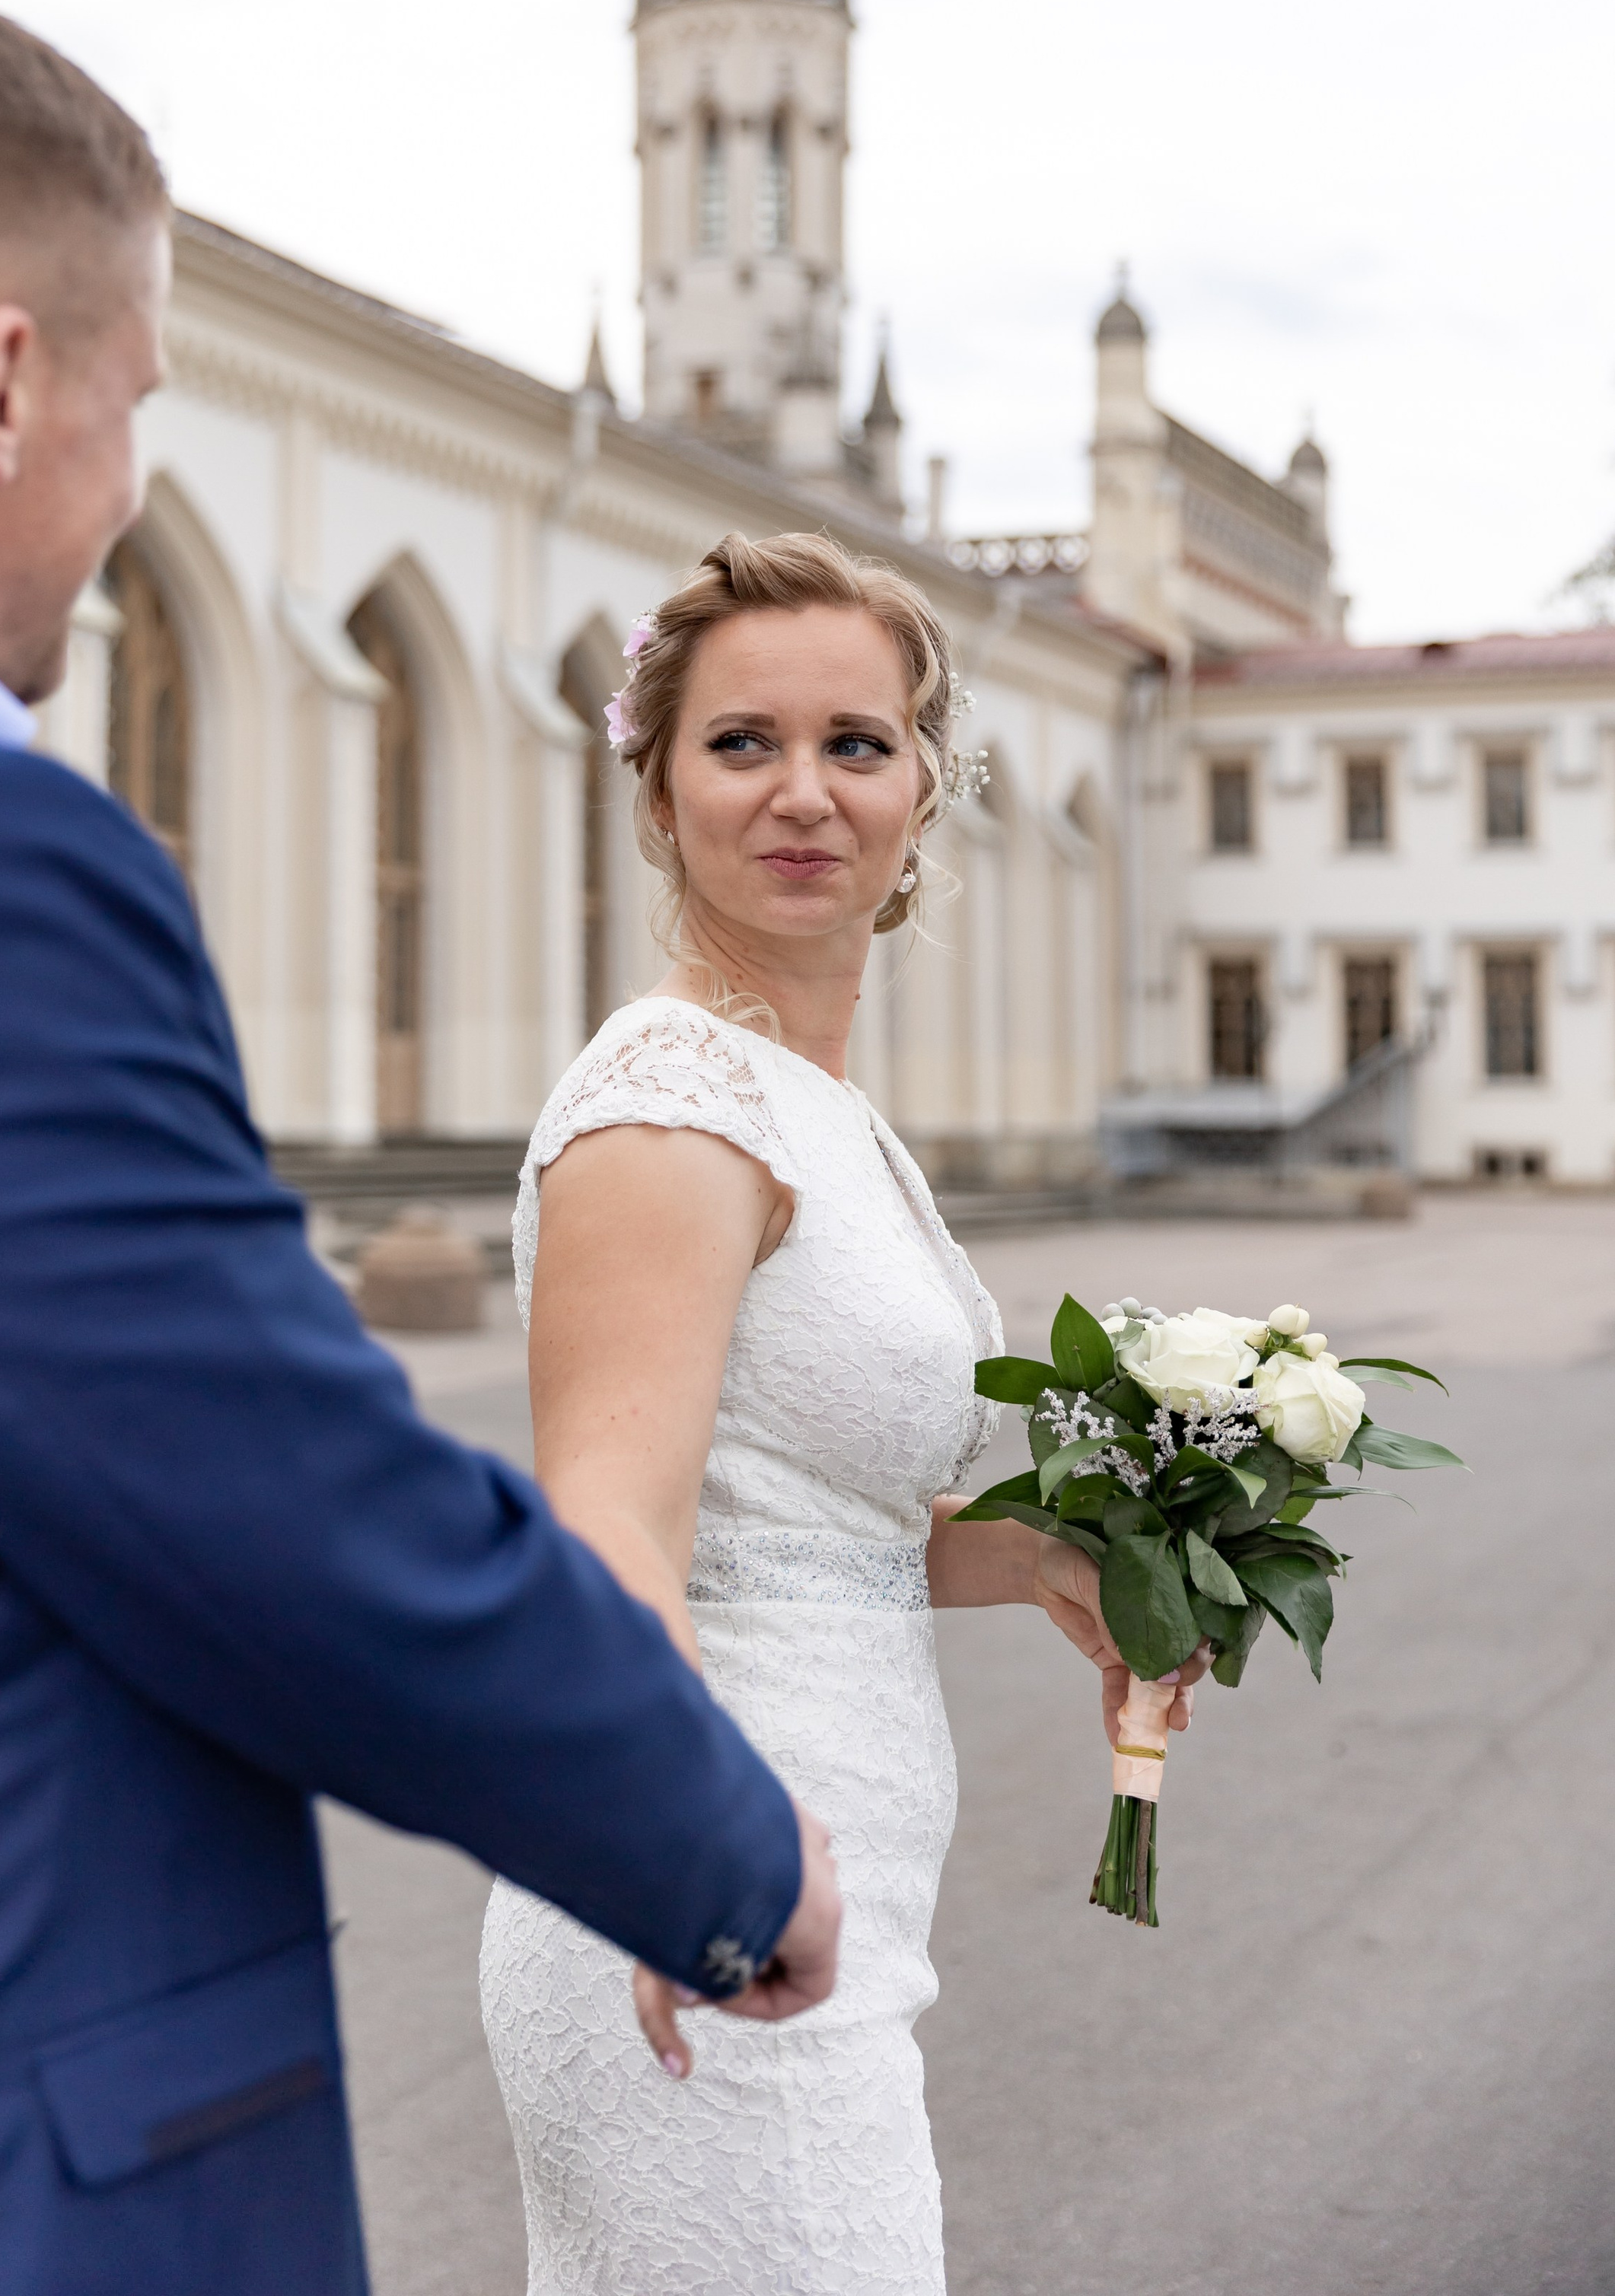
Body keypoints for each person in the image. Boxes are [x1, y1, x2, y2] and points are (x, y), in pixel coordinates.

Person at [0, 0, 840, 2296]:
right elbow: (278, 1503)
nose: (118, 505)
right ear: (2, 390)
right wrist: (722, 1841)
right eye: (132, 408)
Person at [480, 530, 1209, 2293]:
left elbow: (798, 1512)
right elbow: (616, 1521)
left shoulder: (805, 1101)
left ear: (922, 790)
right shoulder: (668, 1114)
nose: (801, 793)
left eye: (854, 745)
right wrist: (672, 1846)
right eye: (740, 744)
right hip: (714, 1902)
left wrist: (1050, 1557)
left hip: (827, 1902)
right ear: (656, 792)